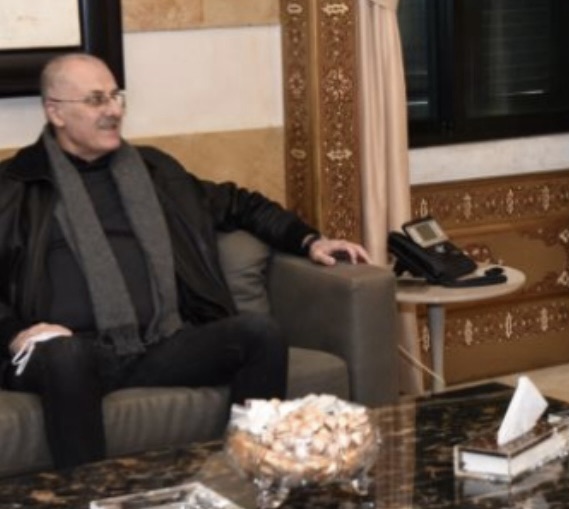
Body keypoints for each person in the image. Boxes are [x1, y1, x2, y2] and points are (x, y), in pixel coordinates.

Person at [0, 52, 370, 469]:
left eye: (117, 97)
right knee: (67, 355)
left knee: (259, 333)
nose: (113, 110)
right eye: (96, 100)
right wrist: (15, 333)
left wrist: (309, 240)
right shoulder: (13, 188)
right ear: (55, 112)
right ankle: (89, 492)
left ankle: (250, 474)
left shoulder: (156, 172)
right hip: (67, 354)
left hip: (158, 342)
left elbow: (239, 203)